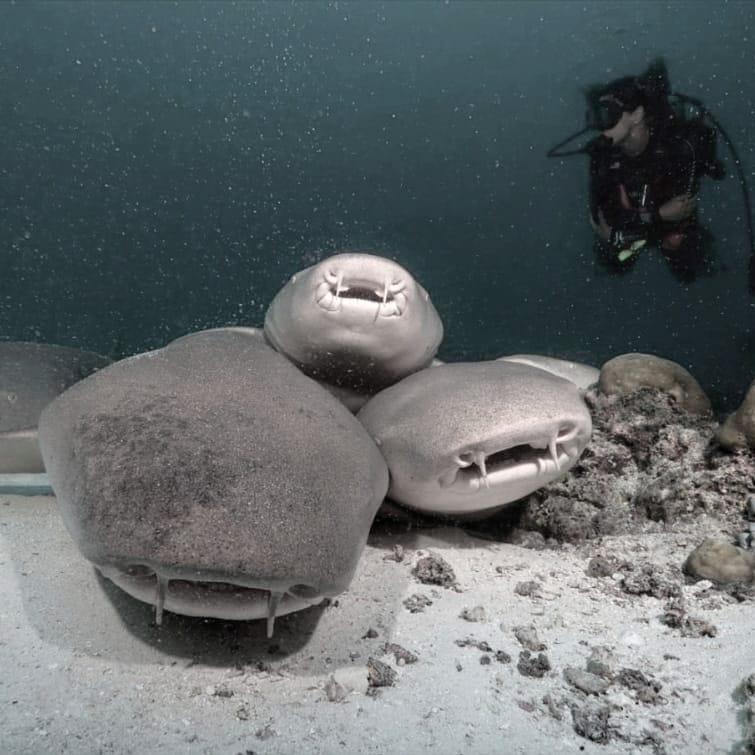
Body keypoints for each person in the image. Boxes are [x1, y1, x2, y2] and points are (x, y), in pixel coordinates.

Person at [587, 68, 723, 283]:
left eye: (609, 114)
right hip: (641, 226)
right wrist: (656, 215)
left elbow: (684, 204)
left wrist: (635, 224)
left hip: (669, 227)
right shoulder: (603, 157)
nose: (601, 126)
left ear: (637, 114)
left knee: (687, 256)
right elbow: (605, 222)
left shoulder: (679, 146)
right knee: (614, 259)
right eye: (597, 117)